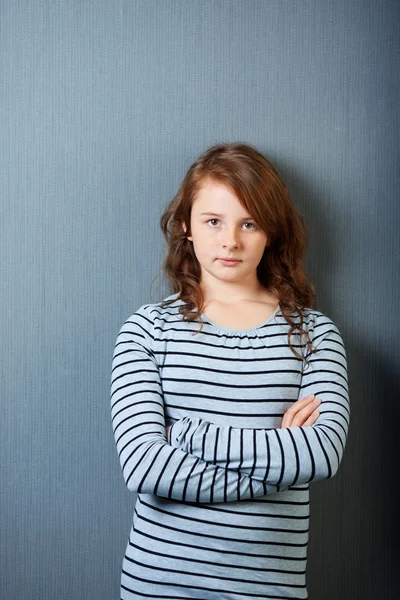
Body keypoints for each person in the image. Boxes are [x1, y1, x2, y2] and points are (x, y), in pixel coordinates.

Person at [110, 142, 349, 599]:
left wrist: (190, 436)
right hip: (158, 587)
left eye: (250, 223)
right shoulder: (146, 330)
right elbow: (144, 467)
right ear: (186, 226)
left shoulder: (314, 335)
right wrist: (282, 463)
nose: (231, 241)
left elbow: (319, 456)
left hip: (268, 590)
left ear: (270, 232)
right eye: (213, 221)